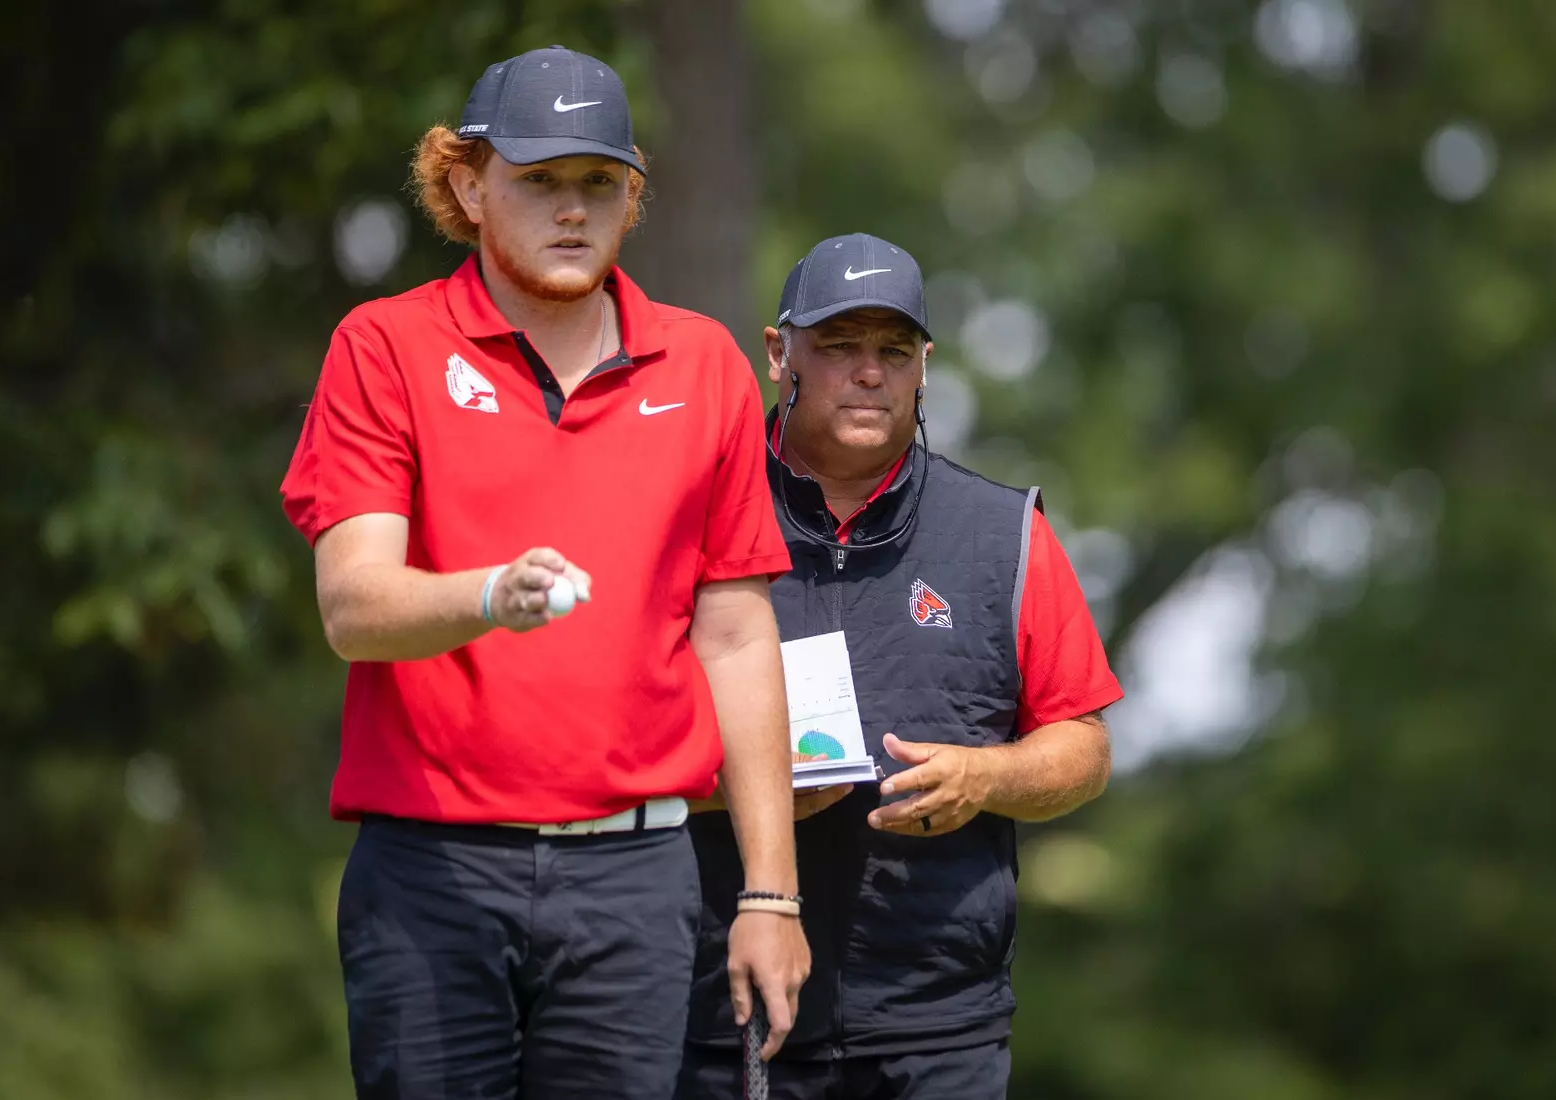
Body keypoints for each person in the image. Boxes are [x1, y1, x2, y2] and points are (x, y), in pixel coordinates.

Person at [279, 46, 809, 1100]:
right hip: (431, 870)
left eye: (599, 184)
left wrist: (772, 894)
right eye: (539, 182)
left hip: (636, 878)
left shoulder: (705, 365)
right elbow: (353, 604)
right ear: (468, 187)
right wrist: (489, 593)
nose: (573, 211)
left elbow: (739, 637)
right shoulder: (382, 346)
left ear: (630, 197)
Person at [679, 233, 1122, 1100]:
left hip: (938, 1025)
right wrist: (746, 781)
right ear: (779, 355)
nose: (868, 373)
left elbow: (1084, 746)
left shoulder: (1003, 532)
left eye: (892, 350)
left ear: (925, 366)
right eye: (838, 347)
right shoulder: (692, 517)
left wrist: (986, 776)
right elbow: (609, 741)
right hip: (717, 1011)